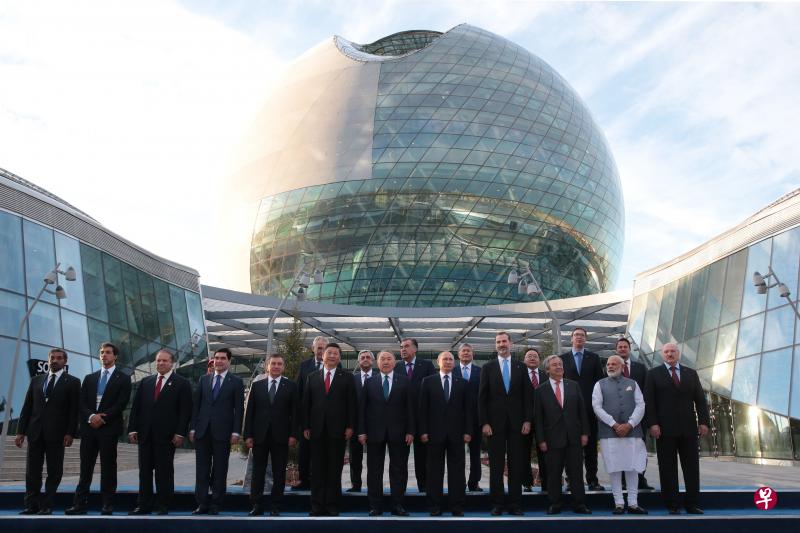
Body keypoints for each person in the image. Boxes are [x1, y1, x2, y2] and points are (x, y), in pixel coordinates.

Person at [66, 342, 132, 516]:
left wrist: (103, 418)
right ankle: (79, 504)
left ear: (115, 356)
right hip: (89, 429)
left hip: (109, 429)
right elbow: (82, 402)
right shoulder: (89, 378)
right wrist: (91, 417)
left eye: (108, 353)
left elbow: (121, 403)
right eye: (102, 352)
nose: (104, 355)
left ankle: (107, 504)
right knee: (85, 468)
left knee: (108, 468)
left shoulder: (124, 378)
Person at [644, 343, 710, 515]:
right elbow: (649, 402)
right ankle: (672, 504)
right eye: (666, 352)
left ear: (678, 354)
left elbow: (701, 401)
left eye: (673, 351)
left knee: (692, 468)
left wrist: (703, 422)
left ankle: (692, 503)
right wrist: (653, 424)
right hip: (664, 430)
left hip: (688, 429)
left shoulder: (691, 373)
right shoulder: (653, 374)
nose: (670, 354)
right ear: (662, 355)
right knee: (667, 468)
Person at [16, 347, 80, 515]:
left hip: (57, 434)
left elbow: (74, 411)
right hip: (35, 432)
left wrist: (71, 433)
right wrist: (20, 431)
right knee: (32, 472)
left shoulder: (73, 382)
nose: (55, 360)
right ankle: (31, 505)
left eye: (59, 358)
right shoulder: (36, 380)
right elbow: (27, 408)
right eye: (52, 357)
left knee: (54, 471)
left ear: (65, 362)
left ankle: (47, 505)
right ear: (48, 359)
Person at [128, 349, 193, 515]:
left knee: (164, 472)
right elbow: (136, 408)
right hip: (145, 435)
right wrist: (133, 428)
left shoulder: (182, 383)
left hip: (167, 436)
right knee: (144, 471)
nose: (161, 363)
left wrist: (180, 433)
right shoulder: (146, 382)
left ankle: (163, 504)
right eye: (158, 361)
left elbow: (185, 411)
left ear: (172, 363)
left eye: (164, 361)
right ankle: (143, 504)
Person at [478, 331, 533, 516]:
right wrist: (484, 422)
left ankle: (515, 504)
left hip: (518, 424)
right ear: (496, 345)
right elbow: (482, 398)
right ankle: (497, 504)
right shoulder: (488, 367)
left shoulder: (521, 367)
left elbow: (527, 396)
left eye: (504, 341)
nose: (501, 344)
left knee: (516, 464)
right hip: (494, 425)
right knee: (496, 465)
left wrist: (527, 420)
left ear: (511, 343)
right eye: (498, 342)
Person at [302, 342, 357, 516]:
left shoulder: (347, 377)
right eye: (329, 352)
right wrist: (305, 426)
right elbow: (306, 404)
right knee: (317, 469)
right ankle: (317, 506)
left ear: (339, 357)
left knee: (335, 469)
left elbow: (351, 403)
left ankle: (333, 505)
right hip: (316, 430)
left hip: (338, 430)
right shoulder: (312, 377)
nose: (332, 355)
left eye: (336, 353)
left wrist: (350, 426)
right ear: (322, 355)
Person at [358, 350, 414, 517]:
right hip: (374, 433)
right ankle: (375, 505)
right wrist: (361, 431)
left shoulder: (405, 381)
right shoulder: (369, 382)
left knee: (399, 470)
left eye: (389, 359)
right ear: (377, 363)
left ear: (395, 362)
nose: (386, 362)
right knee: (374, 471)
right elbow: (362, 409)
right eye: (383, 359)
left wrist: (411, 430)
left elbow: (410, 408)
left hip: (400, 433)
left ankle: (398, 505)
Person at [190, 347, 245, 515]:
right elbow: (196, 406)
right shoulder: (204, 379)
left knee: (220, 470)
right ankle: (202, 503)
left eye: (222, 358)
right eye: (216, 358)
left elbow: (239, 409)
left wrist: (236, 432)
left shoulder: (236, 382)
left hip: (223, 433)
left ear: (229, 361)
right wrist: (192, 427)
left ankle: (216, 503)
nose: (218, 361)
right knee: (202, 469)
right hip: (202, 431)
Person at [534, 355, 591, 515]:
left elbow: (582, 411)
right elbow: (538, 418)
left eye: (560, 364)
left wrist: (585, 433)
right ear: (547, 370)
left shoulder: (574, 386)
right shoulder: (540, 390)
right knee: (553, 473)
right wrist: (541, 440)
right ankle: (555, 503)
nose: (559, 367)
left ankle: (579, 504)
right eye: (554, 365)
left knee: (576, 472)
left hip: (574, 437)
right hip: (552, 439)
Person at [244, 354, 299, 516]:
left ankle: (276, 506)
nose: (276, 366)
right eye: (273, 363)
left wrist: (293, 435)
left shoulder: (291, 386)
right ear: (267, 366)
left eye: (279, 364)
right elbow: (250, 413)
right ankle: (256, 505)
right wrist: (247, 435)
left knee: (279, 472)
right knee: (258, 472)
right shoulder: (257, 385)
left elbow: (295, 414)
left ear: (283, 367)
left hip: (281, 436)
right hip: (259, 436)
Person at [592, 356, 648, 515]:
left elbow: (641, 405)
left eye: (614, 364)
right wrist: (614, 424)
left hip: (632, 432)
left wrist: (630, 424)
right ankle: (618, 503)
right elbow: (597, 407)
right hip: (609, 433)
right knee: (614, 468)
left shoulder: (633, 383)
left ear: (622, 366)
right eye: (608, 364)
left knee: (633, 467)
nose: (610, 366)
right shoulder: (599, 384)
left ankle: (633, 503)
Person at [419, 351, 472, 517]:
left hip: (457, 435)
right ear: (438, 362)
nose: (448, 362)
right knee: (434, 471)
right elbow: (422, 409)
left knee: (457, 471)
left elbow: (468, 410)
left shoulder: (463, 383)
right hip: (434, 434)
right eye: (445, 359)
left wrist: (468, 431)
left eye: (451, 359)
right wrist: (423, 431)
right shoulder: (428, 382)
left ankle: (457, 506)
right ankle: (434, 506)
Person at [560, 327, 605, 491]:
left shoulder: (593, 358)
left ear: (586, 339)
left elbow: (600, 383)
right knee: (570, 447)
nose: (579, 337)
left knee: (591, 447)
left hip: (590, 409)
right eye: (576, 335)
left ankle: (592, 480)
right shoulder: (562, 358)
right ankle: (571, 481)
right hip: (568, 410)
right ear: (571, 339)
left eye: (582, 335)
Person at [395, 337, 435, 493]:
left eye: (406, 346)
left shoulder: (426, 365)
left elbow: (433, 390)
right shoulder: (396, 367)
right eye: (401, 347)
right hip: (401, 420)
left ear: (415, 349)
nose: (402, 349)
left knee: (422, 457)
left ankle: (423, 487)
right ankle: (400, 489)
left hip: (421, 420)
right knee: (399, 458)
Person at [615, 337, 654, 490]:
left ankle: (640, 478)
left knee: (639, 450)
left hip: (639, 418)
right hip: (618, 419)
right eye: (620, 347)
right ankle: (624, 481)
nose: (623, 349)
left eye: (625, 347)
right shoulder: (610, 368)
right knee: (621, 450)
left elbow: (647, 393)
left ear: (629, 349)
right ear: (616, 350)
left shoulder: (640, 368)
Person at [294, 335, 329, 491]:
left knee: (324, 452)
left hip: (327, 419)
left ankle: (321, 481)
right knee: (305, 451)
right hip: (307, 418)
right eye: (319, 347)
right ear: (313, 349)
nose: (321, 351)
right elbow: (298, 391)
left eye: (324, 348)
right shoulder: (304, 365)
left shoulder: (336, 365)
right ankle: (303, 480)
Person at [452, 342, 482, 492]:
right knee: (458, 455)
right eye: (463, 351)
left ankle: (474, 482)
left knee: (475, 454)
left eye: (468, 351)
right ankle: (459, 483)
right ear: (458, 354)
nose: (466, 353)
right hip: (456, 420)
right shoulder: (452, 371)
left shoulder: (481, 371)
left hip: (476, 420)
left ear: (473, 354)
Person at [521, 348, 547, 493]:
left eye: (535, 356)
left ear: (539, 360)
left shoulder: (545, 376)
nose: (532, 358)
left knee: (544, 451)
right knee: (524, 451)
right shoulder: (519, 376)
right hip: (525, 420)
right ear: (524, 360)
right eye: (529, 356)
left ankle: (545, 481)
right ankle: (526, 482)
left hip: (543, 420)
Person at [348, 350, 374, 493]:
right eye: (362, 357)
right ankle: (355, 484)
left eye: (368, 357)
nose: (365, 359)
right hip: (355, 425)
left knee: (374, 460)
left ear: (373, 361)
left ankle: (373, 486)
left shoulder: (379, 378)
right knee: (355, 458)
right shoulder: (351, 379)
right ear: (358, 362)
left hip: (374, 426)